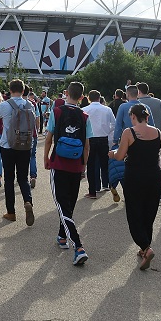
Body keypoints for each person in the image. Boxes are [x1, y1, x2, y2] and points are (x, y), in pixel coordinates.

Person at [43, 81, 93, 266]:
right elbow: (87, 146)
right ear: (81, 97)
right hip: (76, 164)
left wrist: (46, 158)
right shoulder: (85, 116)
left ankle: (78, 246)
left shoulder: (57, 112)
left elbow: (48, 138)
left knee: (62, 205)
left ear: (66, 94)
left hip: (59, 163)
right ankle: (62, 236)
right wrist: (84, 166)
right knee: (68, 205)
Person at [108, 104, 161, 270]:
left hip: (135, 176)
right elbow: (157, 154)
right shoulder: (157, 132)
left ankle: (146, 247)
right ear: (147, 117)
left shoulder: (129, 132)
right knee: (149, 210)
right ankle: (144, 247)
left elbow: (120, 156)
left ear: (132, 117)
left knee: (134, 210)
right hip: (154, 175)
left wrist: (112, 154)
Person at [0, 80, 36, 225]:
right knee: (23, 177)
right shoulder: (30, 105)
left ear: (10, 91)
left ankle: (11, 212)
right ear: (23, 91)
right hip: (25, 146)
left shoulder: (5, 105)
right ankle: (27, 201)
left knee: (9, 179)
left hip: (8, 145)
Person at [82, 90, 115, 199]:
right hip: (103, 138)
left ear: (89, 98)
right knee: (105, 163)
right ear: (99, 98)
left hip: (90, 139)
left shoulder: (84, 110)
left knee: (91, 165)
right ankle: (110, 184)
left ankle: (93, 190)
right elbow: (114, 124)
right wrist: (107, 131)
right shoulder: (107, 109)